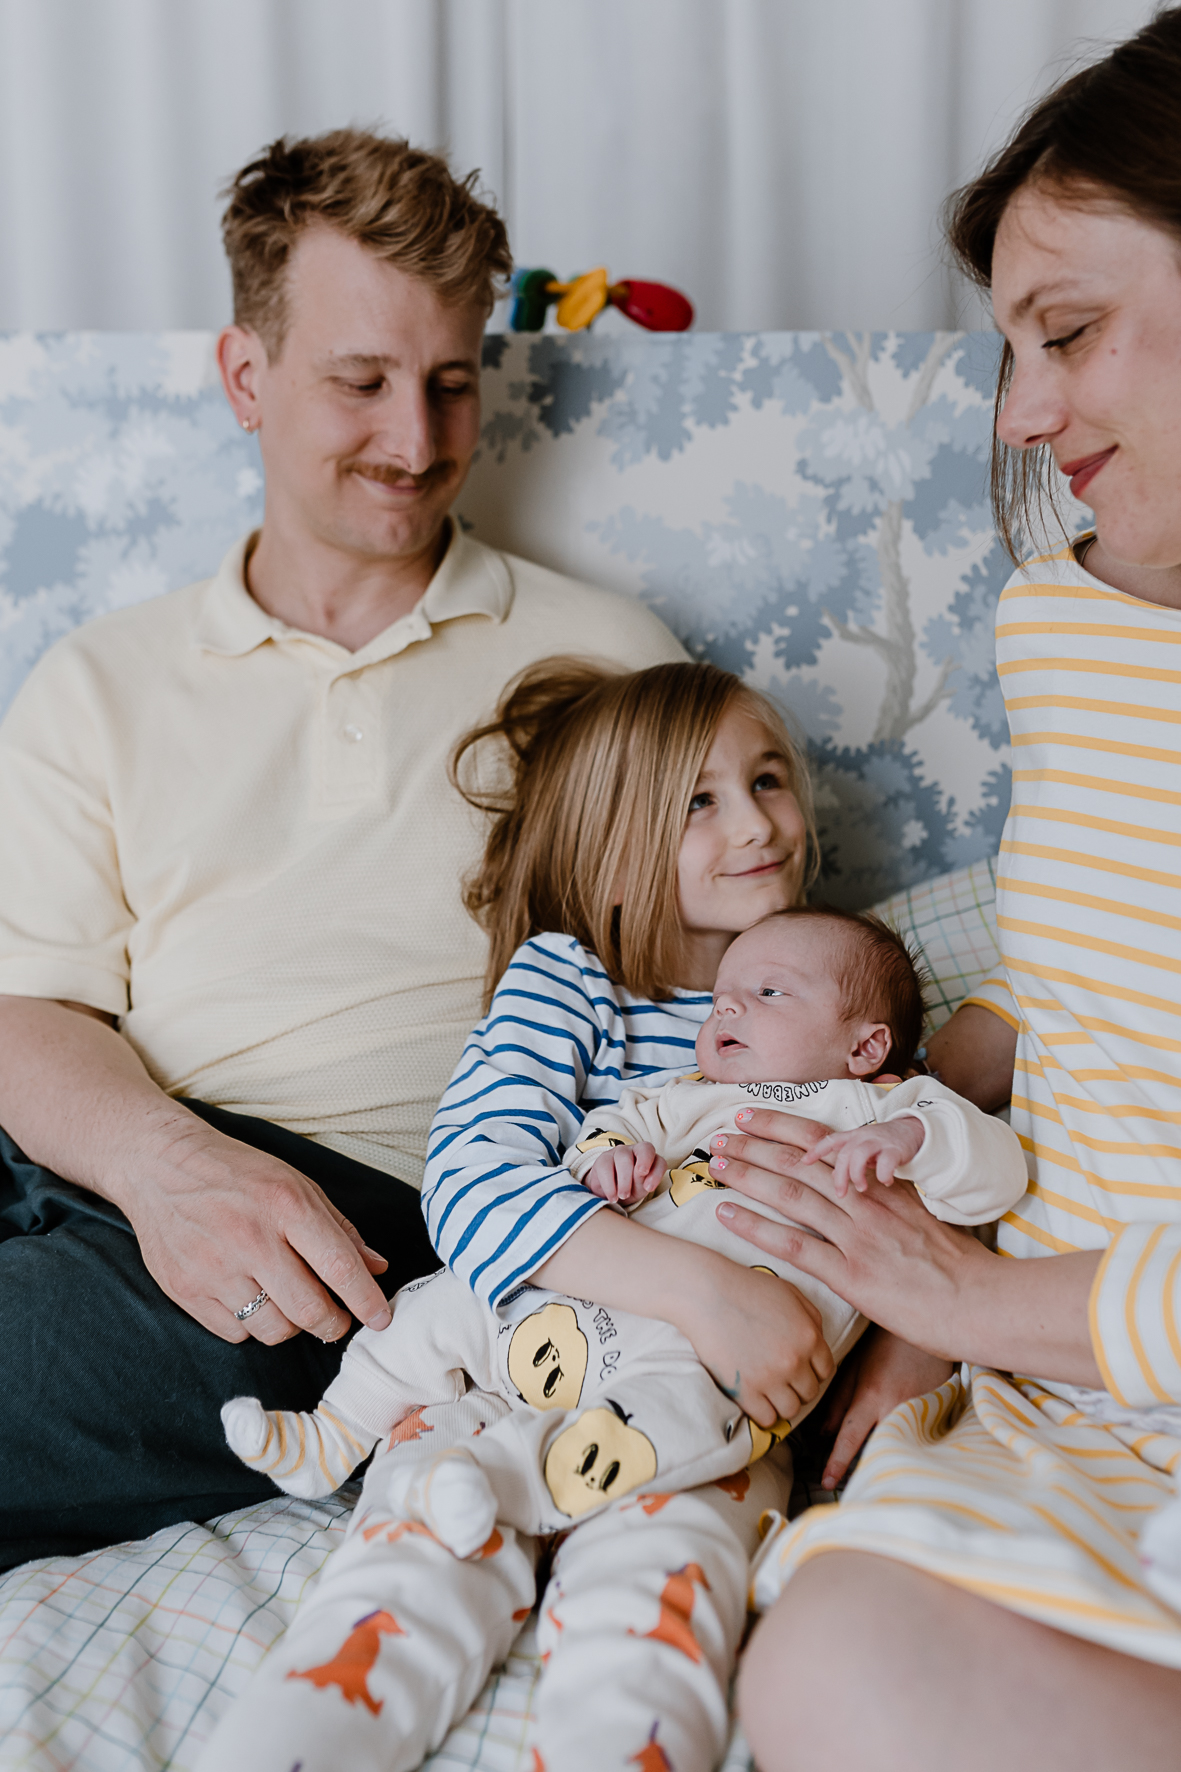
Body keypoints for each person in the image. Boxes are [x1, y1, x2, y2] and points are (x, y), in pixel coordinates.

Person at [0, 129, 684, 1571]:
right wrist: (163, 1165)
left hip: (360, 1226)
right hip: (112, 1143)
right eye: (359, 383)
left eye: (449, 383)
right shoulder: (99, 679)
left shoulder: (605, 664)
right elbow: (32, 1009)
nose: (419, 442)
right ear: (246, 377)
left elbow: (714, 1005)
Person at [701, 13, 1181, 1769]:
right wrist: (885, 1153)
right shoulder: (1056, 623)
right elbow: (1073, 989)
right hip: (1086, 1384)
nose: (1025, 415)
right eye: (1009, 350)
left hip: (1071, 1327)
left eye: (1068, 331)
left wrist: (967, 1301)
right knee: (827, 1659)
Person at [197, 899, 1025, 1772]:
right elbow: (610, 1131)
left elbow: (992, 1175)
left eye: (768, 992)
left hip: (709, 1381)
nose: (728, 1010)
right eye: (721, 1000)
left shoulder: (885, 1111)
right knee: (436, 1328)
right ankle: (333, 1438)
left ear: (864, 1047)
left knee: (656, 1606)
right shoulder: (688, 1097)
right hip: (573, 1329)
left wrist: (909, 1138)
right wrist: (606, 1161)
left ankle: (509, 1501)